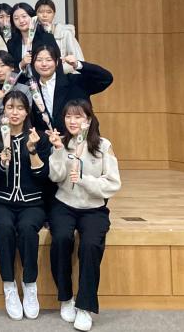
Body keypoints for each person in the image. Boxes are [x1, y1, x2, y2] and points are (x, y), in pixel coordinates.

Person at [47, 99, 121, 332]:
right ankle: (66, 297)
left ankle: (85, 306)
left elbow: (113, 183)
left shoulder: (103, 145)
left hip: (94, 207)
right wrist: (58, 151)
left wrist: (85, 181)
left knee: (90, 245)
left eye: (78, 116)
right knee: (61, 239)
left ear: (88, 120)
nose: (72, 121)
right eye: (68, 116)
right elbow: (56, 177)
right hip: (64, 204)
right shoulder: (61, 142)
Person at [0, 90, 50, 321]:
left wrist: (32, 151)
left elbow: (44, 177)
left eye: (20, 108)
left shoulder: (38, 138)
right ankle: (9, 285)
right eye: (10, 107)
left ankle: (30, 285)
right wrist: (1, 164)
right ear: (4, 111)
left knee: (28, 229)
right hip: (1, 201)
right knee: (4, 229)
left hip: (32, 202)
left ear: (27, 112)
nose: (15, 112)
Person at [29, 45, 113, 135]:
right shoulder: (31, 88)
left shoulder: (74, 81)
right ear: (33, 63)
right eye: (39, 60)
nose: (44, 64)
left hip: (82, 139)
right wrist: (42, 134)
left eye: (49, 60)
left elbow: (106, 78)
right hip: (50, 142)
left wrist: (77, 64)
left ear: (57, 62)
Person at [35, 0, 85, 74]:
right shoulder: (33, 35)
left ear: (54, 14)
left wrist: (57, 69)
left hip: (64, 76)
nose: (44, 15)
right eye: (41, 12)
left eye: (49, 12)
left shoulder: (65, 33)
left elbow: (78, 60)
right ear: (36, 14)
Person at [7, 2, 57, 73]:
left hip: (43, 79)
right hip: (22, 80)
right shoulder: (11, 43)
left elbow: (57, 64)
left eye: (24, 16)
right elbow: (10, 69)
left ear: (33, 17)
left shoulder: (47, 38)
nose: (21, 21)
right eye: (16, 18)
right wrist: (21, 64)